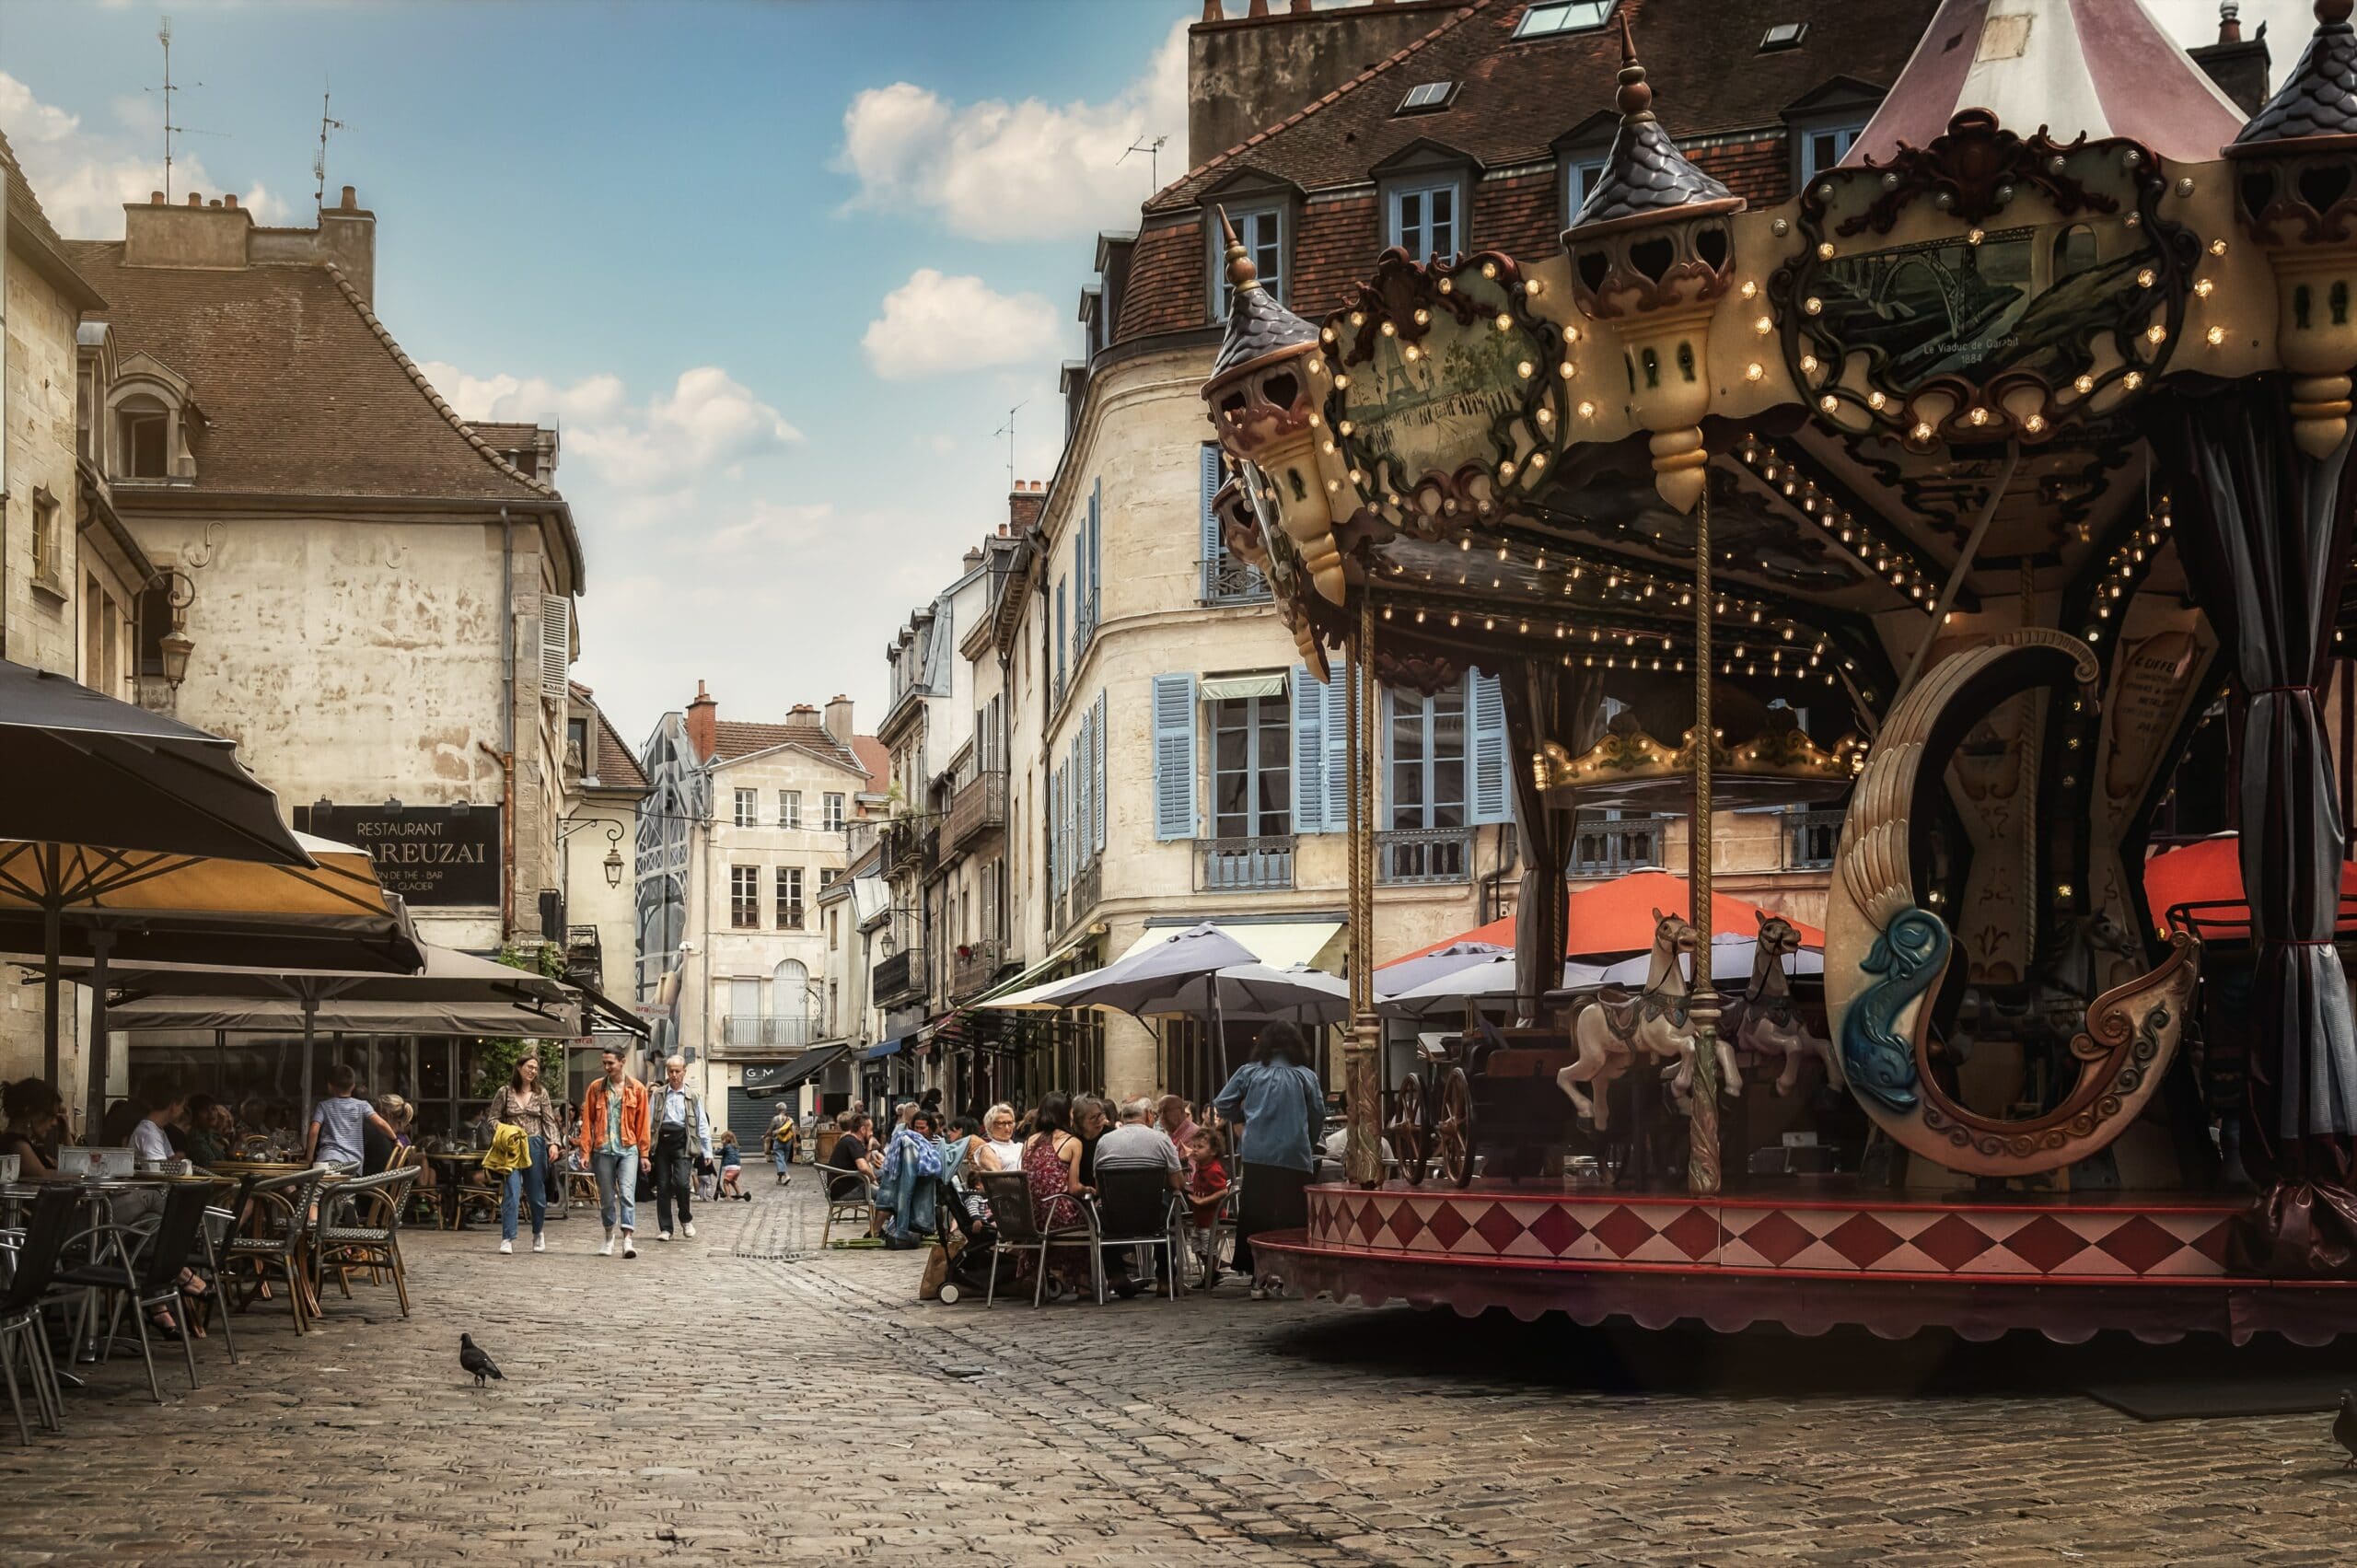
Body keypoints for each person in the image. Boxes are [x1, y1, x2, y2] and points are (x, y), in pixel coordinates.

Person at [1213, 1021, 1325, 1300]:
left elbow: (1222, 1103)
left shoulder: (1249, 1073)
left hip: (1257, 1153)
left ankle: (1257, 1278)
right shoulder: (1305, 1076)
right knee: (1292, 1218)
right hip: (1294, 1154)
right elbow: (1317, 1115)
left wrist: (1244, 1119)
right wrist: (1307, 1141)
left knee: (1257, 1214)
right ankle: (1291, 1276)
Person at [1094, 1097, 1188, 1297]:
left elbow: (1099, 1187)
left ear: (1122, 1116)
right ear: (1147, 1116)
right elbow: (1177, 1184)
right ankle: (1165, 1277)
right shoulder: (1161, 1140)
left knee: (1098, 1214)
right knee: (1171, 1207)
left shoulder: (1104, 1141)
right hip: (1153, 1216)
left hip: (1115, 1218)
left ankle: (1117, 1273)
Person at [486, 1055, 564, 1256]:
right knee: (512, 1191)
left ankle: (538, 1232)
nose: (532, 1071)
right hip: (512, 1146)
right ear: (519, 1068)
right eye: (529, 1067)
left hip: (535, 1144)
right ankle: (507, 1237)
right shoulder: (504, 1092)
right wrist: (504, 1130)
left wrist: (553, 1143)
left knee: (537, 1194)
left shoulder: (541, 1093)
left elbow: (548, 1120)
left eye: (536, 1068)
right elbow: (492, 1118)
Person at [579, 1046, 651, 1258]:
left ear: (622, 1061)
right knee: (608, 1197)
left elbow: (643, 1123)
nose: (607, 1067)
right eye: (604, 1063)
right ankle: (609, 1236)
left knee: (628, 1194)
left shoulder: (637, 1089)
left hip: (628, 1149)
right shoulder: (595, 1088)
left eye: (610, 1063)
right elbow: (587, 1122)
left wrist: (644, 1154)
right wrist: (585, 1151)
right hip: (602, 1149)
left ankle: (627, 1239)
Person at [1022, 1092, 1088, 1294]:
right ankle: (1084, 1281)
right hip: (1057, 1215)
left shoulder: (1029, 1141)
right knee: (1091, 1220)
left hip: (1031, 1217)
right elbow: (1074, 1188)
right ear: (1067, 1114)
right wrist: (1089, 1189)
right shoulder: (1072, 1142)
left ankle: (1045, 1273)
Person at [648, 1054, 712, 1243]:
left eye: (677, 1071)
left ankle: (686, 1219)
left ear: (684, 1071)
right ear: (667, 1072)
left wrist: (707, 1151)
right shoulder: (658, 1094)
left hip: (683, 1142)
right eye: (671, 1071)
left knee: (682, 1183)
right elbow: (650, 1121)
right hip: (662, 1143)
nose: (674, 1075)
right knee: (663, 1186)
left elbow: (701, 1125)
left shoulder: (692, 1096)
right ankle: (666, 1228)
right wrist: (646, 1149)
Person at [307, 1064, 396, 1176]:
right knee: (341, 1191)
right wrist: (395, 1139)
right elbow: (380, 1123)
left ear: (329, 1086)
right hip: (353, 1166)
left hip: (328, 1161)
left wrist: (309, 1158)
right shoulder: (362, 1105)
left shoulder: (323, 1106)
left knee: (311, 1190)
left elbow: (314, 1131)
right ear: (353, 1085)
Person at [875, 1109, 943, 1248]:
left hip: (927, 1180)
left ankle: (914, 1227)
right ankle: (877, 1230)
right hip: (905, 1177)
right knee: (891, 1192)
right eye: (916, 1127)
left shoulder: (938, 1142)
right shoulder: (907, 1139)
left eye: (922, 1128)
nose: (919, 1131)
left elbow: (936, 1164)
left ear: (930, 1127)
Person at [3, 1077, 64, 1179]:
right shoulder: (18, 1144)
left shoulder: (27, 1144)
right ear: (30, 1112)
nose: (54, 1123)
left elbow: (66, 1165)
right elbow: (42, 1175)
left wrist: (66, 1134)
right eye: (50, 1115)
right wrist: (82, 1175)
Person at [824, 1110, 877, 1202]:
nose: (872, 1133)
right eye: (871, 1130)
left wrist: (869, 1147)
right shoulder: (851, 1141)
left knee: (884, 1176)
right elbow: (864, 1167)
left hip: (845, 1185)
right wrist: (873, 1180)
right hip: (846, 1190)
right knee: (888, 1195)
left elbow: (865, 1163)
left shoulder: (850, 1139)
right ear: (862, 1130)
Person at [974, 1103, 1023, 1173]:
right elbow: (999, 1178)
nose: (1007, 1128)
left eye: (1010, 1123)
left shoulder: (1020, 1146)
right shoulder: (988, 1149)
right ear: (990, 1126)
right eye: (1001, 1123)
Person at [1074, 1097, 1110, 1188]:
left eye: (1100, 1114)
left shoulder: (1111, 1136)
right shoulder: (1072, 1140)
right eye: (1093, 1117)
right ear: (1080, 1121)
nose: (1099, 1120)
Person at [183, 1095, 229, 1167]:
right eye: (204, 1110)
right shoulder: (196, 1137)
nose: (211, 1114)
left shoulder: (211, 1133)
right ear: (195, 1114)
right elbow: (210, 1164)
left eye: (213, 1109)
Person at [1157, 1094, 1199, 1171]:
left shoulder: (1193, 1134)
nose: (1162, 1116)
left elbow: (1189, 1173)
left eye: (1167, 1111)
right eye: (1159, 1112)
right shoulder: (1169, 1133)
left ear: (1182, 1112)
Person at [764, 1104, 798, 1184]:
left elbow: (769, 1131)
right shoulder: (790, 1119)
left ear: (778, 1110)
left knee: (780, 1160)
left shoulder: (775, 1119)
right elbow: (793, 1132)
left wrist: (764, 1136)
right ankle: (779, 1179)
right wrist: (795, 1142)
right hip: (788, 1142)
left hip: (778, 1141)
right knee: (783, 1161)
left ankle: (787, 1175)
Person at [715, 1131, 749, 1200]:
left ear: (727, 1139)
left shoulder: (727, 1147)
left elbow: (719, 1153)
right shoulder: (736, 1146)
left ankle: (728, 1196)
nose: (722, 1141)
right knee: (732, 1181)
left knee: (725, 1182)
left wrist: (715, 1150)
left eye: (723, 1140)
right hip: (738, 1168)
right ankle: (739, 1193)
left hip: (731, 1167)